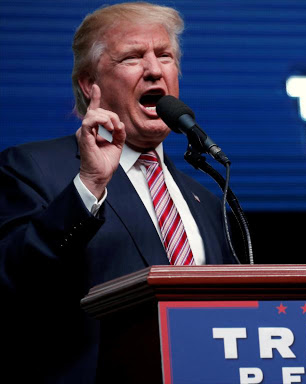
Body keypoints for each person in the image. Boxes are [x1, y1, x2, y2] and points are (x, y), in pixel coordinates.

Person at [0, 2, 238, 382]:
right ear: (88, 84)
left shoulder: (205, 199)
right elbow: (14, 281)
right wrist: (90, 184)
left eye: (164, 56)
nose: (154, 69)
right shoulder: (36, 168)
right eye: (132, 57)